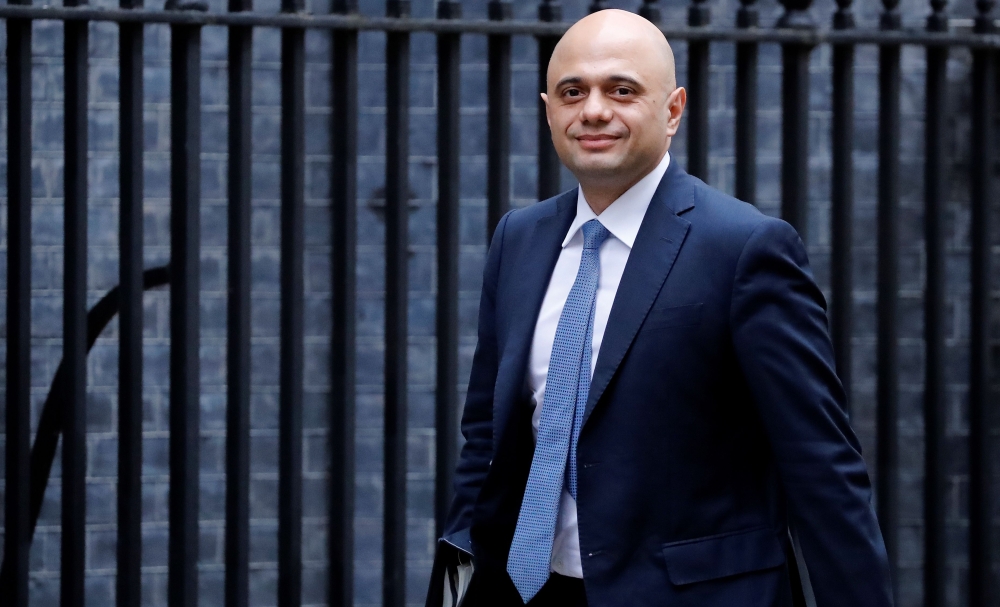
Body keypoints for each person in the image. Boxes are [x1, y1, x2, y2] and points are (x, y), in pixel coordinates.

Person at [426, 9, 893, 607]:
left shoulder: (744, 247)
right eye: (573, 92)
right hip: (531, 591)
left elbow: (820, 467)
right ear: (549, 109)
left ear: (673, 110)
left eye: (621, 90)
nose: (593, 110)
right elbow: (487, 438)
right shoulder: (519, 238)